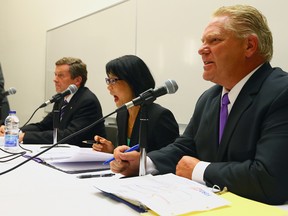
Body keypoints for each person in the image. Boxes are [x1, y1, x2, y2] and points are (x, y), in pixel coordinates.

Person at [109, 5, 288, 205]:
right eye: (203, 41)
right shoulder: (209, 98)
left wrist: (199, 170)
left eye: (214, 40)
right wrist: (143, 162)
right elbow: (185, 147)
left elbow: (271, 179)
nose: (201, 49)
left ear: (249, 46)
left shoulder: (281, 92)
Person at [0, 57, 106, 147]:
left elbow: (69, 135)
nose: (55, 79)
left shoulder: (87, 101)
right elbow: (43, 126)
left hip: (85, 158)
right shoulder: (61, 99)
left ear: (77, 80)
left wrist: (25, 136)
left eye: (60, 75)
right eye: (55, 74)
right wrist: (14, 131)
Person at [92, 55, 179, 153]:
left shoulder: (160, 116)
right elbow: (126, 154)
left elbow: (172, 158)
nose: (109, 87)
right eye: (108, 81)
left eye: (113, 80)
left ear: (133, 81)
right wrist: (112, 151)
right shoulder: (122, 114)